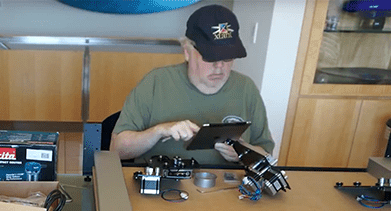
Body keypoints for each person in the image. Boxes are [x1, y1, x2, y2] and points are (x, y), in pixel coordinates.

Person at [110, 4, 274, 165]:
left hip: (227, 188)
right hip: (162, 185)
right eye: (210, 58)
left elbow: (266, 154)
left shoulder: (246, 89)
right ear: (187, 52)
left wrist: (243, 151)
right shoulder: (155, 83)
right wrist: (158, 131)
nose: (219, 66)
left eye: (228, 58)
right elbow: (116, 150)